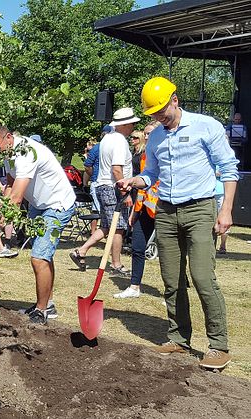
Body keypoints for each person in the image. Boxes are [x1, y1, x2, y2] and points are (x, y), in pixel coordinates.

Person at [117, 76, 238, 370]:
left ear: (175, 100)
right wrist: (136, 180)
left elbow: (229, 168)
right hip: (166, 211)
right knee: (171, 280)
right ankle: (179, 339)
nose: (158, 117)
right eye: (153, 114)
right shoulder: (156, 136)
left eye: (161, 111)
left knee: (202, 278)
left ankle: (218, 345)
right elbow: (152, 174)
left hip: (199, 208)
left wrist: (226, 211)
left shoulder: (205, 126)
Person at [0, 124, 76, 324]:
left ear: (8, 138)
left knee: (39, 258)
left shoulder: (26, 153)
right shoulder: (8, 154)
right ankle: (48, 304)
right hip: (39, 204)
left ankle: (41, 311)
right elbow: (9, 186)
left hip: (57, 205)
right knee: (45, 256)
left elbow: (16, 199)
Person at [70, 108, 137, 277]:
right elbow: (116, 169)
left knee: (107, 226)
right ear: (125, 124)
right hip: (112, 187)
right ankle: (116, 264)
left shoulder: (107, 138)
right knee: (118, 226)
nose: (134, 127)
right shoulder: (120, 141)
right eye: (133, 123)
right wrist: (125, 192)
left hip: (102, 185)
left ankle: (81, 250)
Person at [114, 121, 160, 298]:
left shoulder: (164, 155)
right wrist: (134, 211)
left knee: (168, 253)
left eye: (150, 134)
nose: (146, 137)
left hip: (163, 209)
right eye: (145, 134)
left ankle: (172, 293)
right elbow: (142, 186)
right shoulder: (142, 156)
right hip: (143, 208)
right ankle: (134, 286)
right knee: (137, 246)